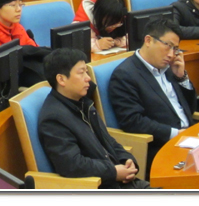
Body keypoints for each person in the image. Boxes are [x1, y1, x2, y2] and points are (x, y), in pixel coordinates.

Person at [38, 48, 148, 189]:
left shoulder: (83, 103)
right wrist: (113, 172)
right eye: (81, 73)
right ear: (61, 79)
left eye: (87, 71)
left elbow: (108, 141)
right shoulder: (54, 119)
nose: (88, 78)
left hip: (120, 182)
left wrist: (127, 159)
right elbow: (72, 165)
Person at [108, 17, 196, 177]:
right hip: (162, 148)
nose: (171, 54)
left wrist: (181, 78)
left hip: (190, 139)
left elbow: (191, 110)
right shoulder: (125, 75)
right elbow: (133, 121)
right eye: (168, 46)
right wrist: (175, 134)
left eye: (175, 49)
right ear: (148, 40)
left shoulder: (169, 68)